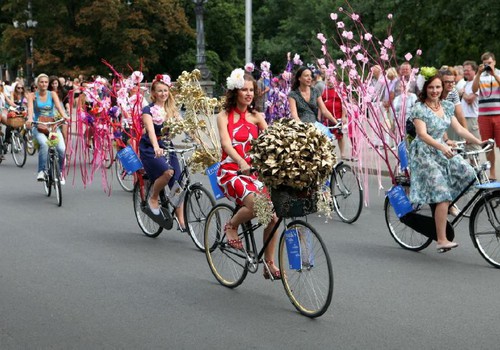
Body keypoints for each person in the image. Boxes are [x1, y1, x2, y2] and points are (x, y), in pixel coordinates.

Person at [408, 74, 485, 251]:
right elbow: (422, 135)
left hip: (442, 149)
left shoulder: (446, 106)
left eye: (438, 87)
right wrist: (442, 147)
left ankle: (447, 205)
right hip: (424, 153)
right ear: (425, 89)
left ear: (443, 88)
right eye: (431, 88)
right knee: (442, 193)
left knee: (468, 172)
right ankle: (441, 239)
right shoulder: (419, 108)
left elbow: (458, 129)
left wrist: (478, 141)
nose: (435, 91)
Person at [216, 69, 281, 280]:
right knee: (255, 206)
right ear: (234, 91)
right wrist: (241, 161)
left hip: (253, 173)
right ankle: (231, 226)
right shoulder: (224, 116)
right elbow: (226, 143)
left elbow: (272, 138)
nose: (249, 93)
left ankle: (268, 264)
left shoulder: (256, 116)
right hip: (230, 172)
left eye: (251, 90)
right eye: (244, 89)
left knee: (273, 218)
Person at [138, 74, 185, 232]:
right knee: (168, 172)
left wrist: (198, 140)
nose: (163, 93)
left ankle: (182, 221)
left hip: (167, 145)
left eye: (165, 90)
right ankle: (154, 196)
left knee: (177, 182)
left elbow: (184, 127)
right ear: (153, 93)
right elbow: (150, 131)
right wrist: (156, 146)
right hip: (151, 147)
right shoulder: (148, 110)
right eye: (160, 91)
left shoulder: (171, 109)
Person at [26, 74, 69, 183]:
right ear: (37, 84)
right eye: (41, 82)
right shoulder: (32, 96)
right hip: (38, 125)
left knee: (62, 149)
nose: (44, 84)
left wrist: (65, 116)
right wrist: (30, 119)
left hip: (52, 126)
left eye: (46, 82)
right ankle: (42, 171)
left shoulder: (52, 94)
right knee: (44, 144)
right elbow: (30, 109)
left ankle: (60, 172)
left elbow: (59, 108)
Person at [472, 52, 500, 181]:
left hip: (498, 114)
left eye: (489, 63)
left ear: (494, 62)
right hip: (484, 115)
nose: (488, 66)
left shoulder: (498, 73)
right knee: (489, 146)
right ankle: (492, 173)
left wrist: (494, 74)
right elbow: (473, 90)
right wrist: (478, 73)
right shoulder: (480, 75)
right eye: (485, 64)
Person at [321, 76, 348, 159]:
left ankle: (342, 154)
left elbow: (344, 104)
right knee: (326, 136)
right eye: (327, 79)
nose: (329, 81)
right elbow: (320, 105)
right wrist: (319, 117)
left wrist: (344, 116)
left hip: (338, 116)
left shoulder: (340, 90)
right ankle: (328, 154)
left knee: (340, 135)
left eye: (330, 79)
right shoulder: (324, 91)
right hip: (327, 118)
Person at [440, 69, 467, 142]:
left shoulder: (453, 91)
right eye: (447, 82)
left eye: (452, 82)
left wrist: (466, 133)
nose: (450, 84)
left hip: (448, 121)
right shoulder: (436, 92)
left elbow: (459, 114)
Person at [461, 61, 481, 152]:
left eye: (468, 70)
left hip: (472, 118)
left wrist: (463, 93)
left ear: (474, 71)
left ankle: (475, 166)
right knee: (466, 147)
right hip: (464, 117)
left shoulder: (476, 83)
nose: (465, 72)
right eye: (464, 70)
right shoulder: (467, 83)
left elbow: (470, 100)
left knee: (473, 147)